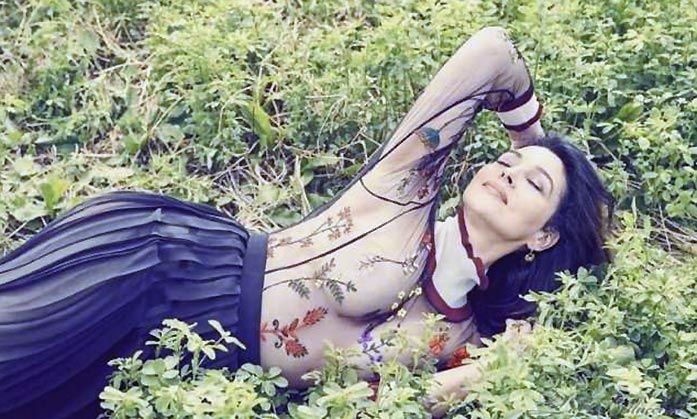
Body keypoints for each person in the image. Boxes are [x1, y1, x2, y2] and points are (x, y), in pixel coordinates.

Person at [0, 26, 613, 418]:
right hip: (161, 271)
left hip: (189, 367)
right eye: (506, 163)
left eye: (534, 184)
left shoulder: (466, 334)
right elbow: (493, 53)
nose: (508, 172)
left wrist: (493, 368)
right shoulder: (403, 200)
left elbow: (391, 408)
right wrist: (537, 144)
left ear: (544, 235)